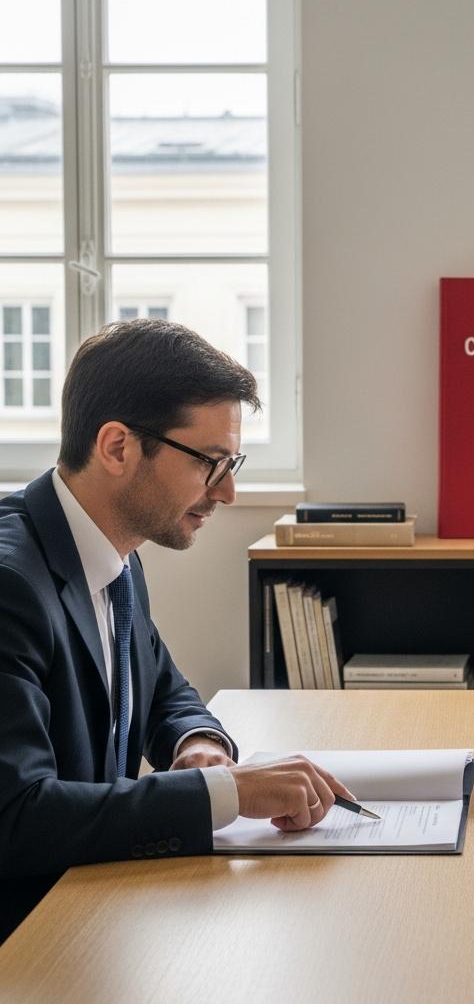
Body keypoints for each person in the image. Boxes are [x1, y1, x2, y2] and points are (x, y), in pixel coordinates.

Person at [0, 320, 353, 942]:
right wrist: (223, 793)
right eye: (211, 463)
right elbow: (17, 818)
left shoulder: (114, 553)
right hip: (29, 936)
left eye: (232, 462)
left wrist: (197, 744)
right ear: (117, 448)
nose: (229, 490)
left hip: (90, 909)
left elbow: (163, 688)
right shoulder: (11, 585)